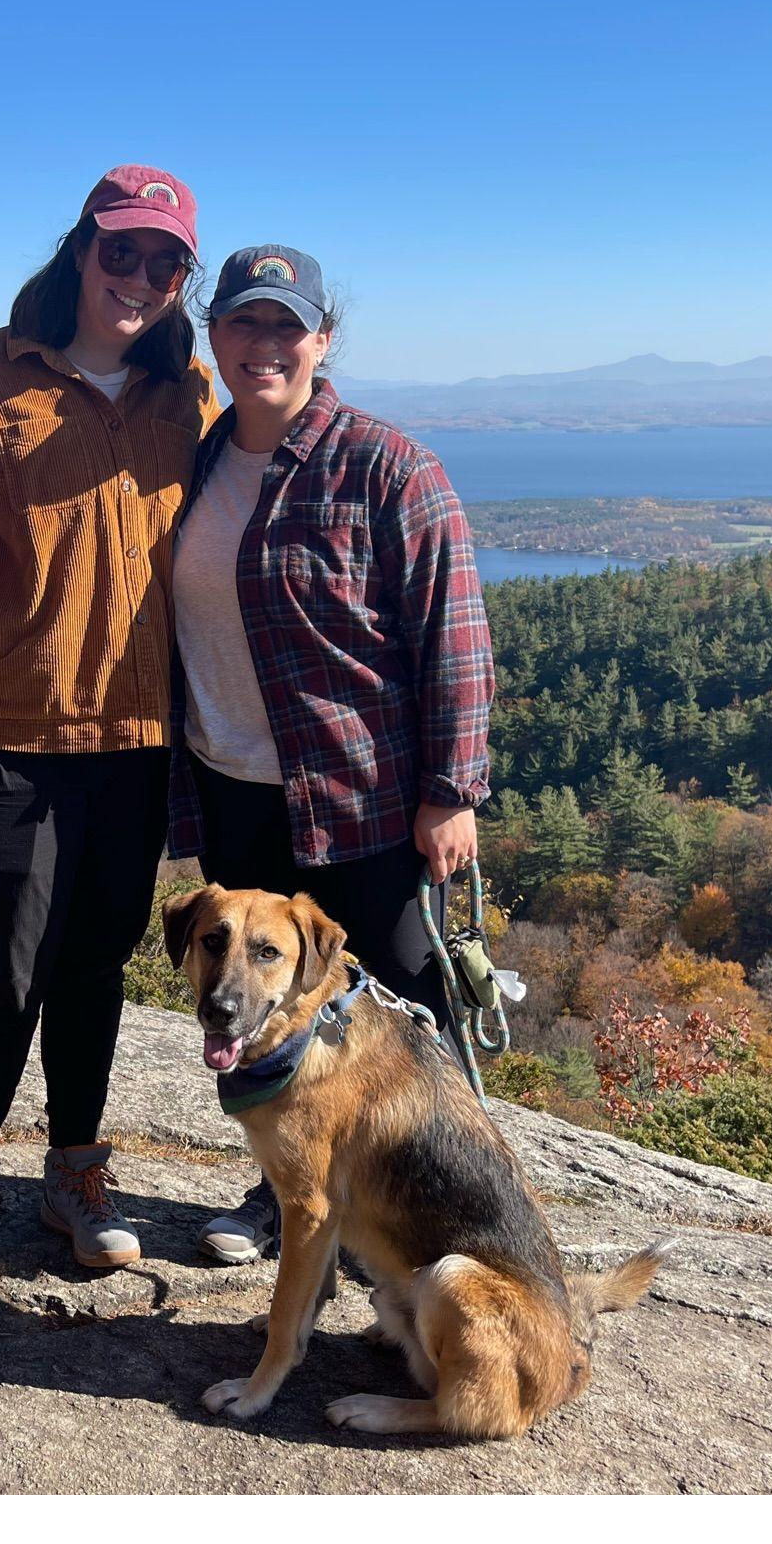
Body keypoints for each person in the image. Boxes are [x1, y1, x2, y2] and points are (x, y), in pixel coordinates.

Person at [0, 166, 217, 1292]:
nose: (143, 278)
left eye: (168, 262)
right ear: (81, 250)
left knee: (97, 970)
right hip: (6, 733)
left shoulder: (188, 397)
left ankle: (78, 1171)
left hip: (140, 741)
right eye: (124, 252)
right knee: (4, 969)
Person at [166, 244, 494, 1265]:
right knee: (266, 1011)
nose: (263, 345)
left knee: (401, 1017)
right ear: (213, 336)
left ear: (323, 338)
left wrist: (452, 791)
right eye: (243, 324)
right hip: (233, 788)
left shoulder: (390, 466)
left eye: (285, 326)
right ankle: (287, 1197)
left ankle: (443, 1214)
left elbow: (456, 636)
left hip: (364, 799)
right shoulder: (198, 464)